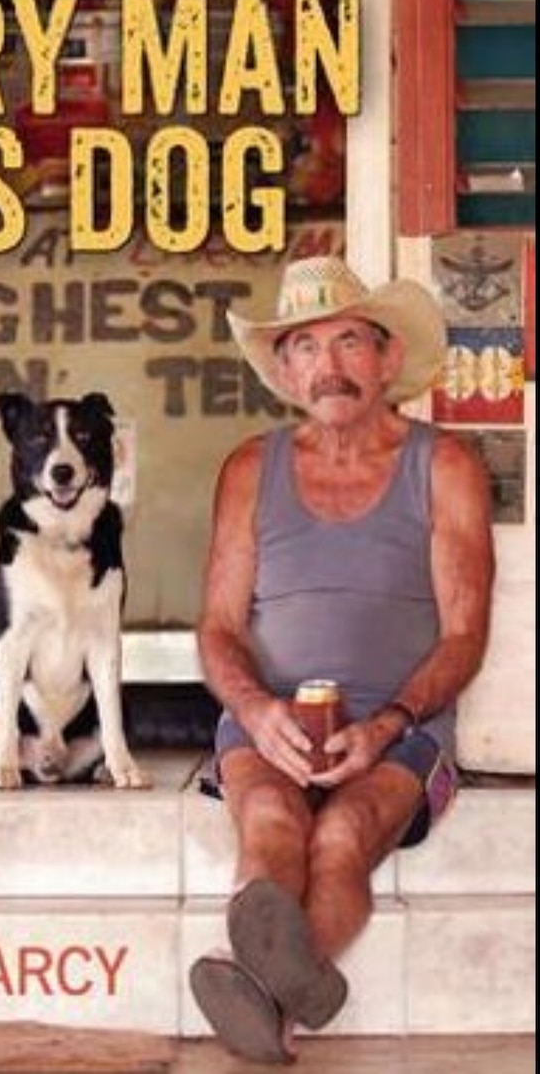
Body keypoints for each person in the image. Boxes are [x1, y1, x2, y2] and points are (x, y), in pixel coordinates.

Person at [189, 256, 495, 1064]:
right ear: (285, 370)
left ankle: (253, 988)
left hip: (402, 727)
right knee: (271, 817)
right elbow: (217, 628)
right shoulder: (251, 470)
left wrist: (389, 721)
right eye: (306, 348)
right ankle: (285, 996)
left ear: (388, 356)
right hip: (270, 719)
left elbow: (465, 634)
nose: (329, 368)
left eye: (350, 342)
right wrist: (257, 711)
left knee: (343, 833)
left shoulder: (448, 465)